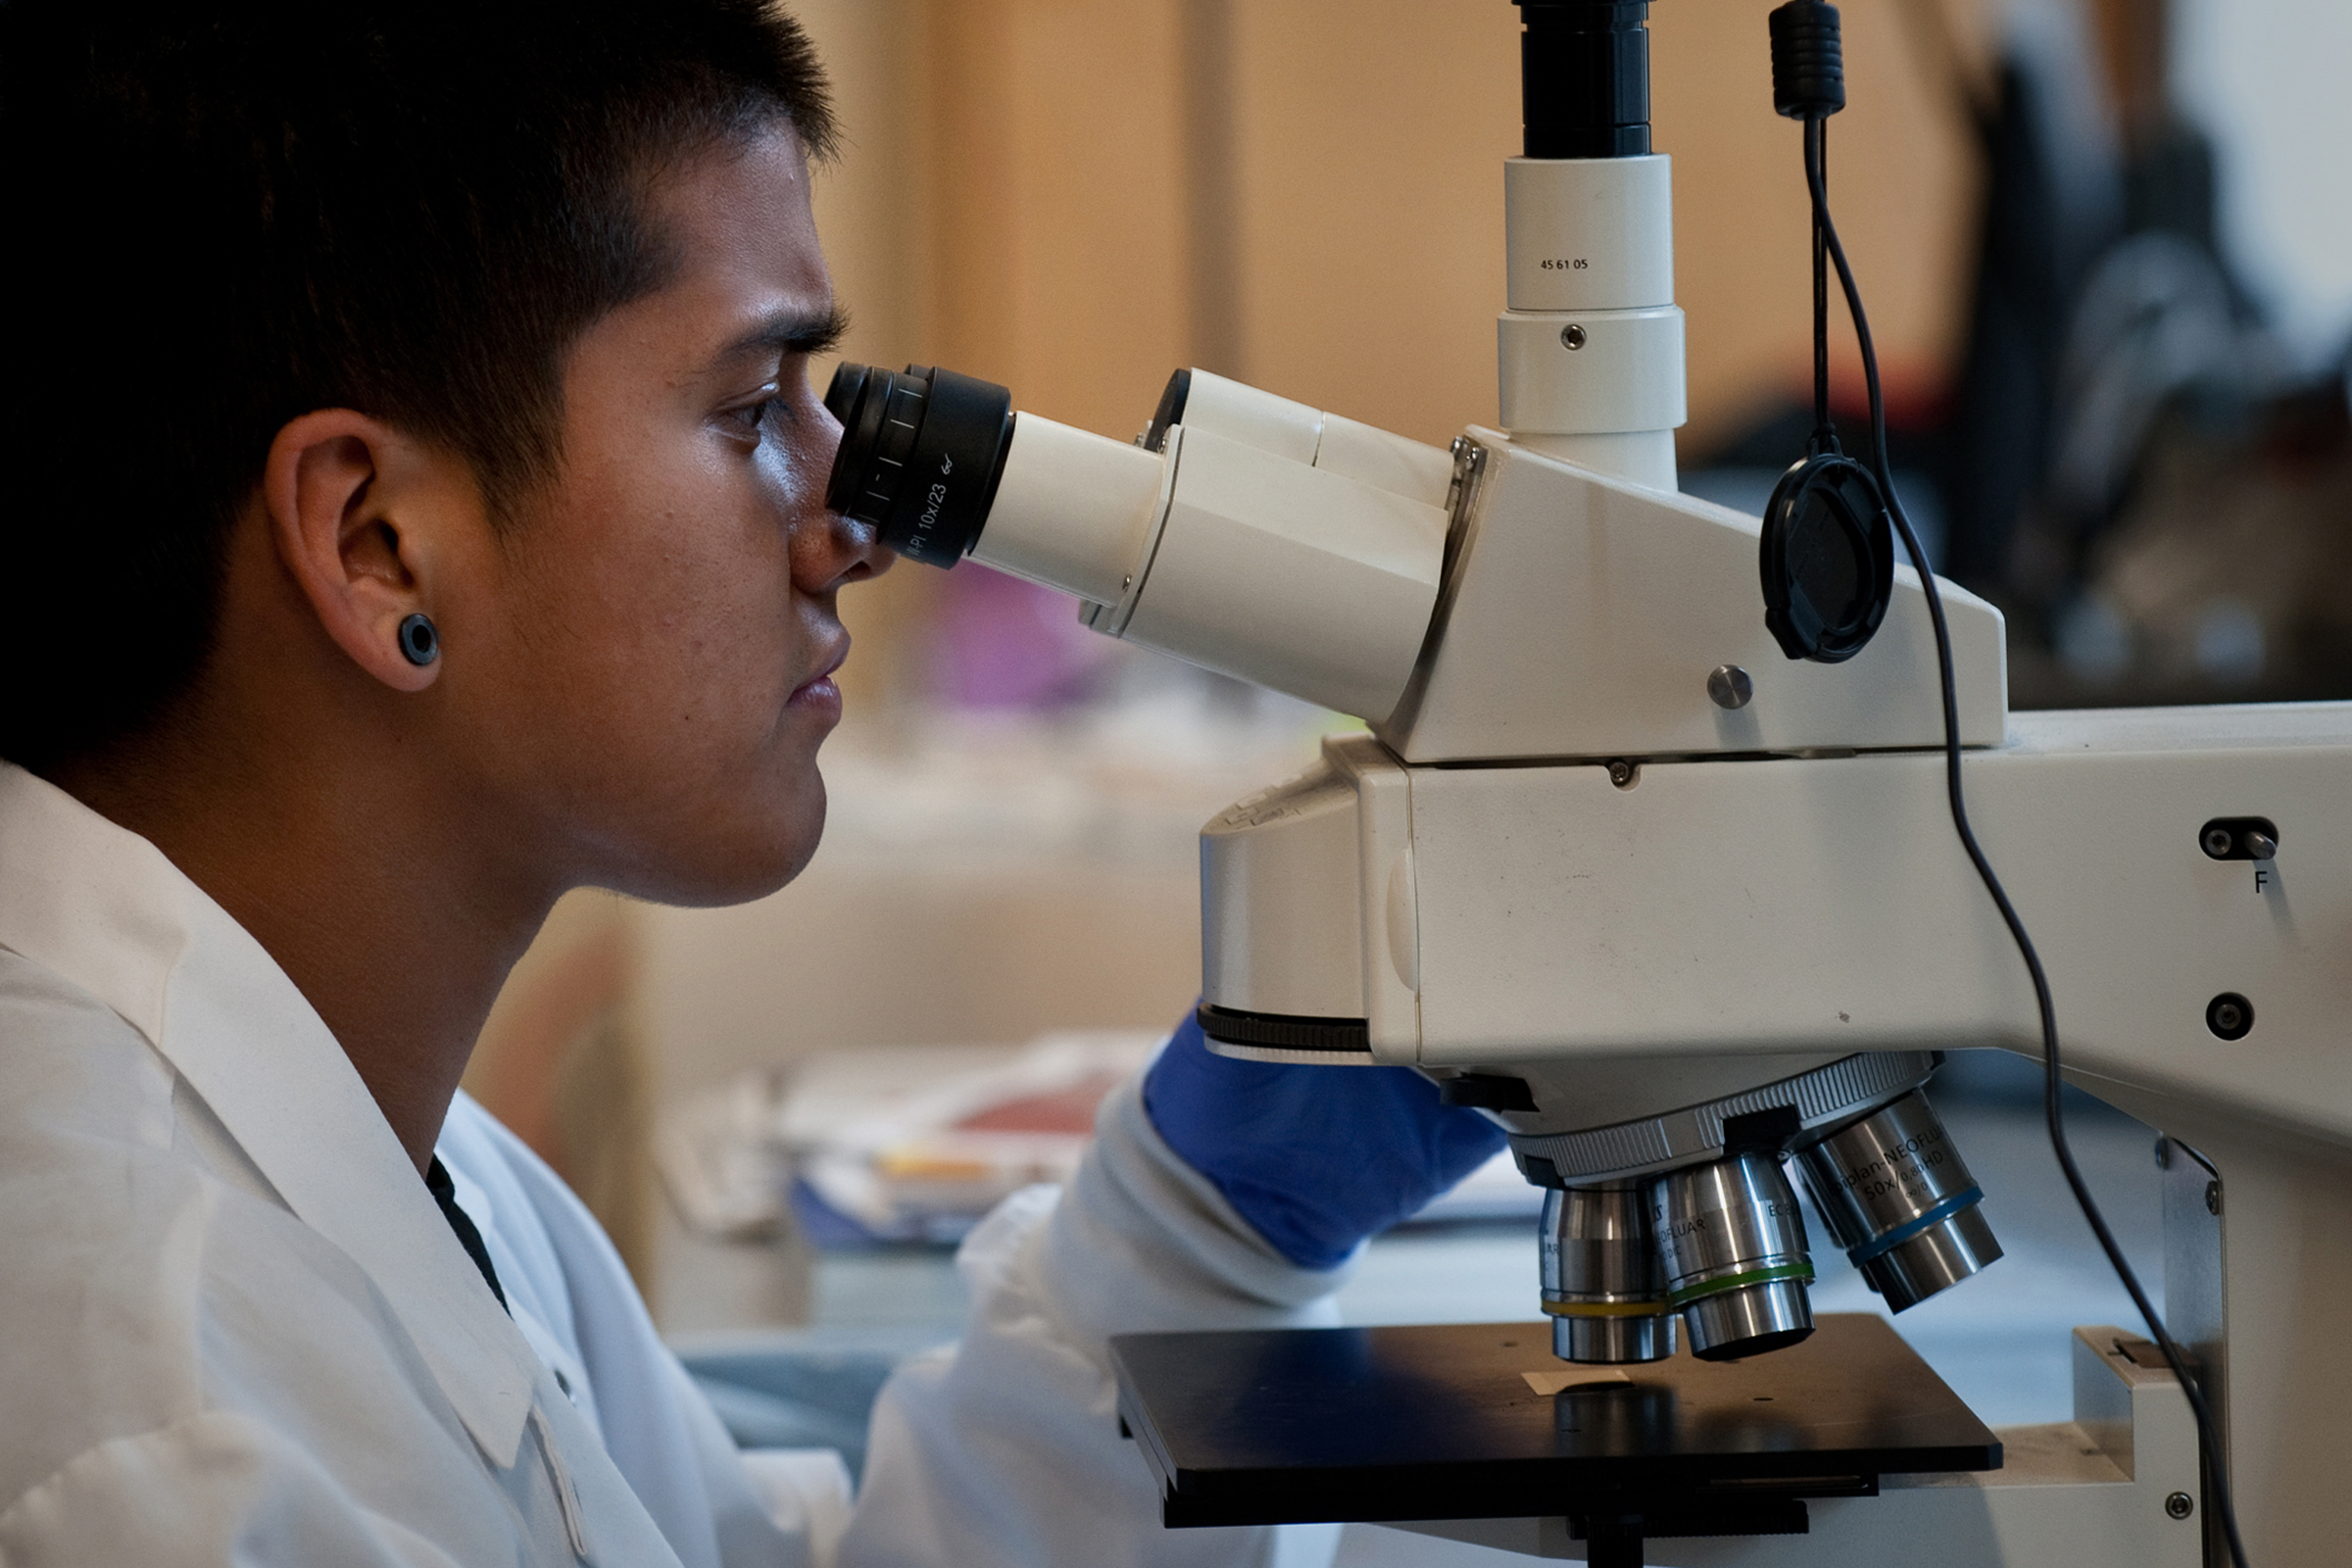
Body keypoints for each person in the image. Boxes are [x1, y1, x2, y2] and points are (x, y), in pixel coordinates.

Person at [0, 3, 1505, 1565]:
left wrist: (1192, 1235)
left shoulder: (415, 1166)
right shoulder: (160, 1450)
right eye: (748, 408)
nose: (849, 528)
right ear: (378, 542)